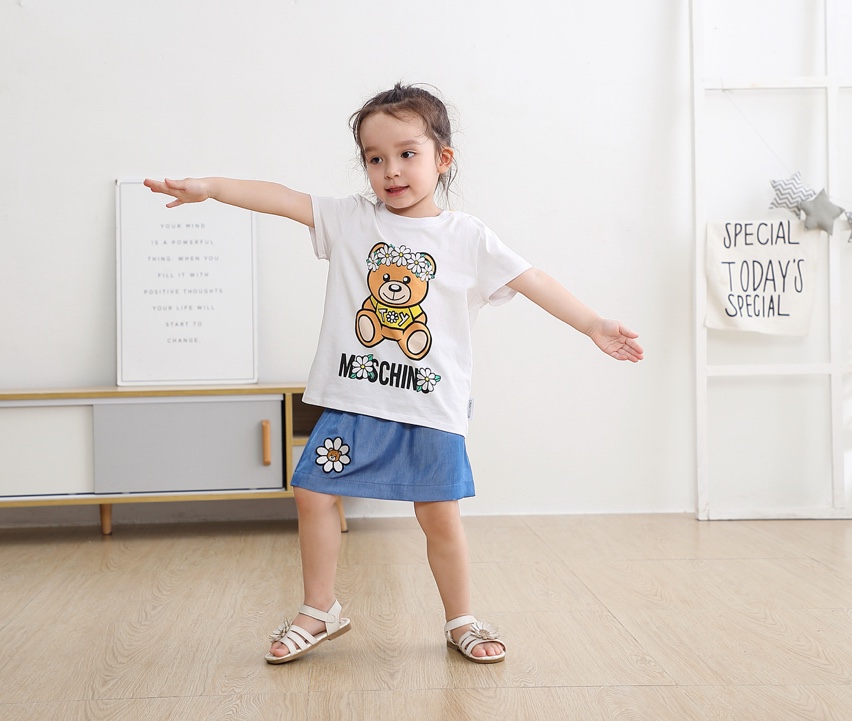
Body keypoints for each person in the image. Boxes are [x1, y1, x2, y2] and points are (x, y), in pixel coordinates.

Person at [145, 82, 643, 666]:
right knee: (313, 490)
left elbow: (533, 280)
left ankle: (461, 620)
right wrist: (211, 188)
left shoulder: (466, 237)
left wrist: (592, 323)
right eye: (375, 158)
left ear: (443, 158)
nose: (391, 170)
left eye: (407, 153)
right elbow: (281, 198)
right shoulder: (351, 220)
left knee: (438, 515)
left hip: (430, 409)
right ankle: (319, 609)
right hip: (354, 400)